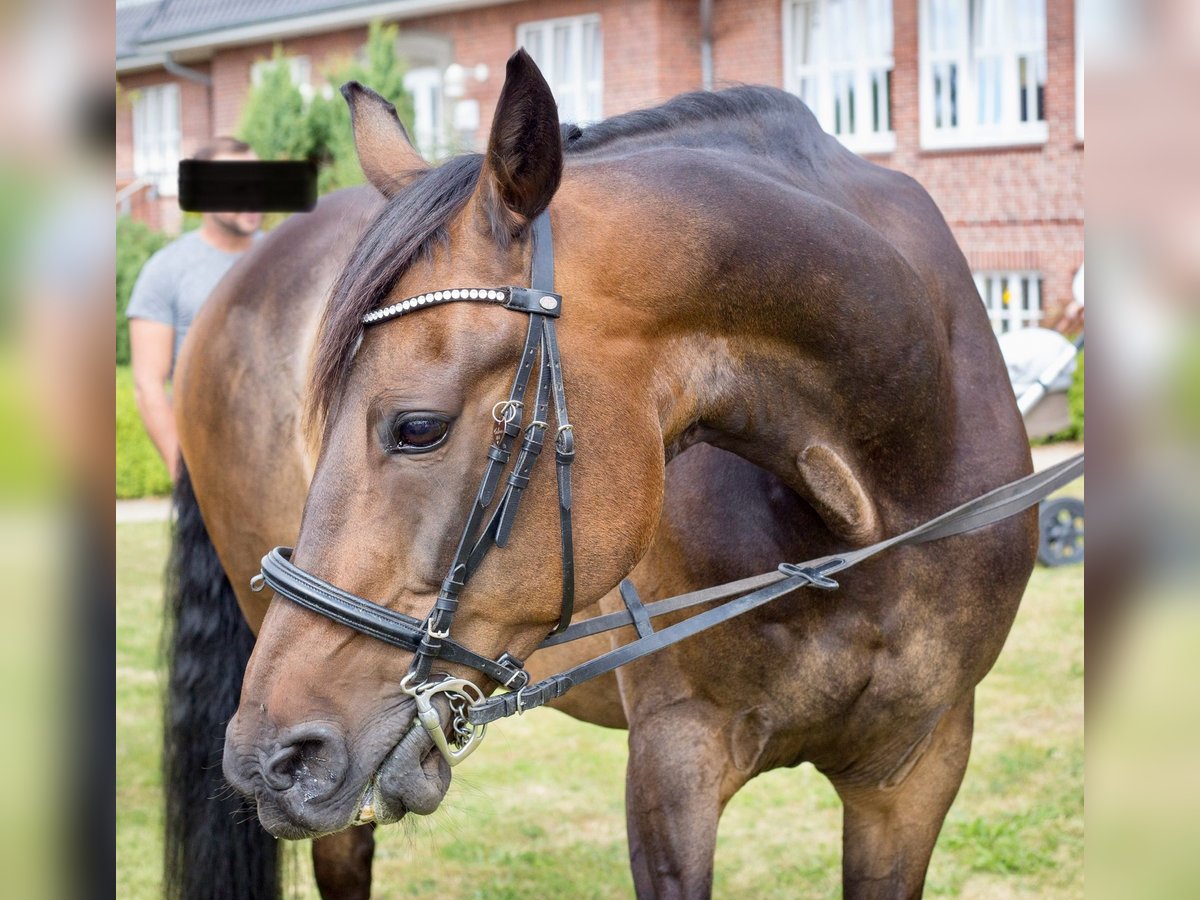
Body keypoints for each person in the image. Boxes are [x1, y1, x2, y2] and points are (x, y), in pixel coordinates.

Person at [127, 137, 262, 480]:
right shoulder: (166, 270)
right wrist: (186, 479)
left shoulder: (290, 256)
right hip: (212, 464)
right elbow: (148, 383)